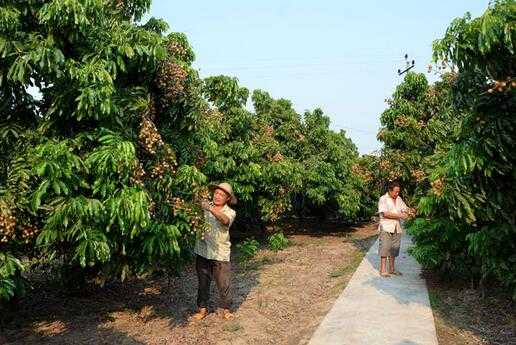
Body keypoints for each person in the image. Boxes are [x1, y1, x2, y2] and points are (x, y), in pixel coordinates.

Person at [191, 182, 237, 321]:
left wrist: (210, 208)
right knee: (203, 282)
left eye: (221, 195)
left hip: (220, 252)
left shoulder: (230, 212)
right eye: (216, 193)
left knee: (224, 283)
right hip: (203, 250)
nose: (217, 196)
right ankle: (202, 309)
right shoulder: (204, 206)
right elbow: (193, 211)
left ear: (227, 199)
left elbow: (224, 220)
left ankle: (225, 309)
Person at [377, 181, 411, 277]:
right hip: (386, 226)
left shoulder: (399, 199)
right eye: (395, 192)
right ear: (390, 190)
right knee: (385, 247)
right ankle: (383, 270)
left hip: (397, 227)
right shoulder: (383, 199)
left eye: (398, 192)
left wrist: (409, 211)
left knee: (394, 248)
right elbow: (385, 213)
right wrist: (400, 215)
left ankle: (391, 269)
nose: (397, 194)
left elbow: (405, 208)